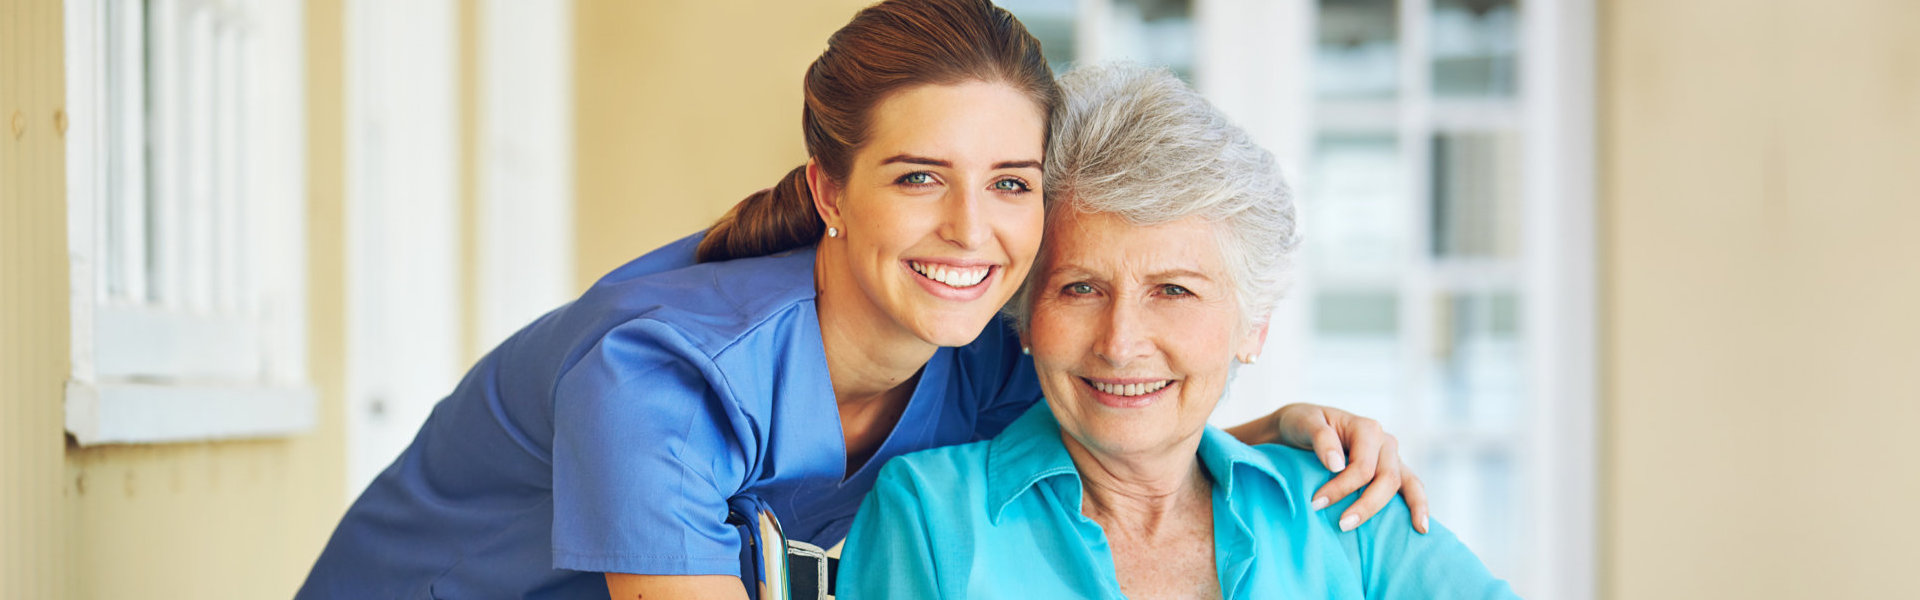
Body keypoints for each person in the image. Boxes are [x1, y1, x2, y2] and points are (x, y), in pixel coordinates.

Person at [295, 2, 1425, 598]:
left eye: (1012, 185)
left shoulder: (978, 360)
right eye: (919, 177)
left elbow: (1118, 428)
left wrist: (1270, 433)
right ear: (832, 189)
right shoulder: (660, 376)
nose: (972, 233)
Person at [838, 63, 1516, 600]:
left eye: (1173, 291)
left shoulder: (1347, 508)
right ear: (1025, 318)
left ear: (1253, 326)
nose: (1121, 341)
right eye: (1080, 288)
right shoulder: (929, 514)